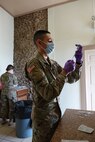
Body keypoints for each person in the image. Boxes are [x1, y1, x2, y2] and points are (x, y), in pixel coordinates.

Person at [25, 30, 83, 142]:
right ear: (39, 42)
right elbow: (48, 93)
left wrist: (78, 63)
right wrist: (64, 72)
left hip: (55, 114)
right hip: (43, 119)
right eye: (50, 41)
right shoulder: (34, 64)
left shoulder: (53, 63)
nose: (52, 44)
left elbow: (71, 78)